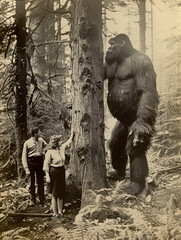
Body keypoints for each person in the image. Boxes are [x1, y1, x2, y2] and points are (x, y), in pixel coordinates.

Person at [43, 132, 74, 217]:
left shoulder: (62, 148)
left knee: (61, 192)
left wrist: (72, 135)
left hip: (61, 171)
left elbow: (68, 142)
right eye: (60, 141)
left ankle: (60, 211)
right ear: (56, 142)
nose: (62, 142)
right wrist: (47, 176)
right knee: (54, 193)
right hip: (53, 172)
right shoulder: (49, 152)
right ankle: (55, 212)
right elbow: (46, 165)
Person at [22, 126, 47, 205]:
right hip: (31, 163)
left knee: (41, 181)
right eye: (39, 132)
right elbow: (24, 156)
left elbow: (47, 146)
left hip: (39, 162)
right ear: (35, 134)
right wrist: (26, 168)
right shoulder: (27, 142)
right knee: (31, 182)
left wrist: (43, 151)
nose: (40, 133)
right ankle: (32, 199)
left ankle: (42, 199)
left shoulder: (41, 140)